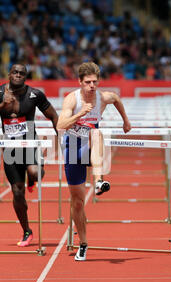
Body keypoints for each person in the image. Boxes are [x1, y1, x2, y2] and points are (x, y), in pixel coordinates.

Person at [56, 61, 131, 261]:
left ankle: (98, 181)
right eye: (88, 82)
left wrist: (126, 120)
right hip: (73, 149)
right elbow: (60, 124)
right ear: (80, 82)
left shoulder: (102, 97)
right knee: (77, 203)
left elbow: (116, 99)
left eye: (95, 82)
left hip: (91, 145)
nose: (92, 86)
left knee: (97, 133)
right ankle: (83, 243)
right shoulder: (71, 100)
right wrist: (81, 113)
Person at [0, 63, 59, 247]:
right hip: (10, 149)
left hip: (30, 144)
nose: (18, 75)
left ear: (26, 77)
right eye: (15, 72)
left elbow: (54, 115)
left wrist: (61, 138)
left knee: (33, 172)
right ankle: (26, 231)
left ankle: (33, 179)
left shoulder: (35, 94)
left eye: (21, 73)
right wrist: (2, 105)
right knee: (17, 192)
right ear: (9, 74)